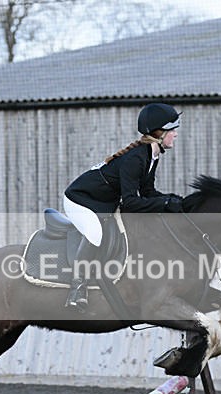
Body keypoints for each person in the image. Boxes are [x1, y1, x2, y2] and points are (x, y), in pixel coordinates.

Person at [62, 102, 184, 310]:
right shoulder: (135, 159)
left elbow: (148, 193)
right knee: (95, 234)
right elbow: (130, 203)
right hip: (80, 200)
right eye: (172, 130)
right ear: (160, 133)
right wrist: (164, 203)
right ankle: (77, 288)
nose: (176, 134)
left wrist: (176, 201)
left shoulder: (150, 156)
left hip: (102, 202)